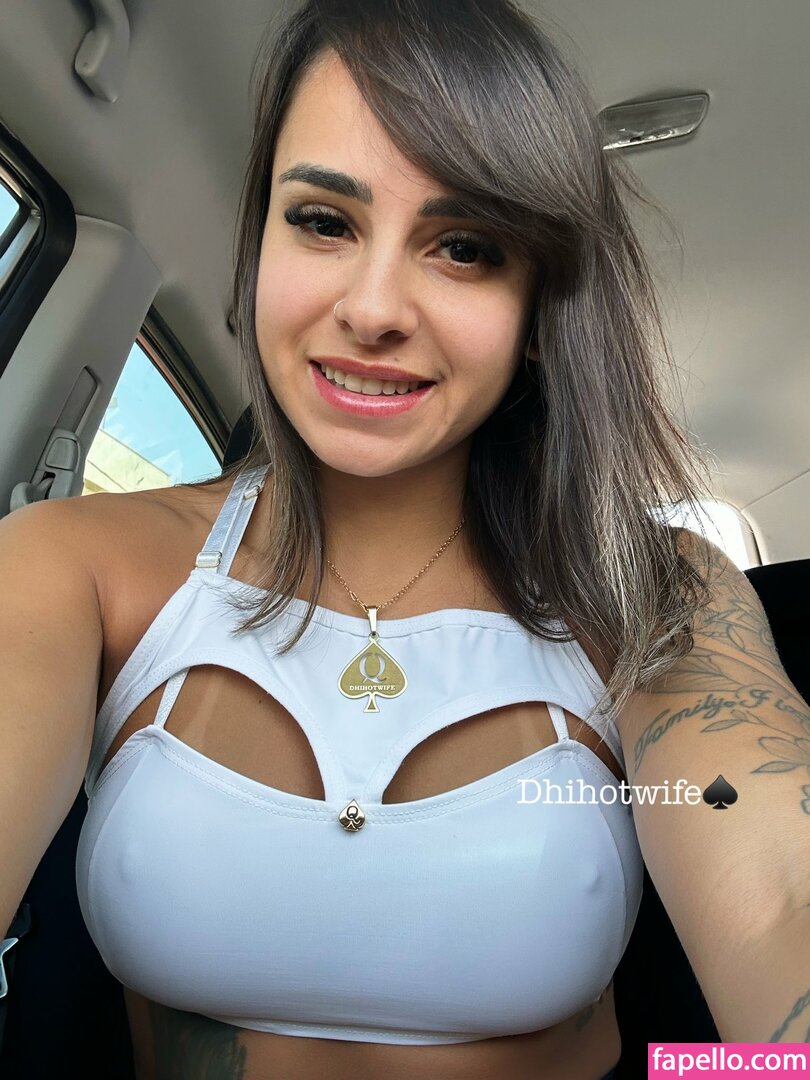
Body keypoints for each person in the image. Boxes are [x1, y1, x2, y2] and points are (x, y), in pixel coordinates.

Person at [3, 0, 808, 1077]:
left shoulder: (657, 591)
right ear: (258, 246)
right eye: (323, 221)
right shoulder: (76, 566)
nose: (374, 307)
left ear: (541, 306)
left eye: (464, 247)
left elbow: (781, 900)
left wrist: (704, 1073)